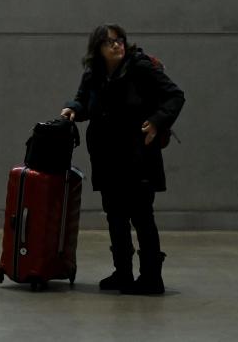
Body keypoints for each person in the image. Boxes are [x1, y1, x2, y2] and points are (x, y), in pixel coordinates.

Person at [60, 24, 185, 295]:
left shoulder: (140, 67)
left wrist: (155, 122)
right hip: (106, 157)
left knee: (141, 216)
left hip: (138, 156)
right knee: (115, 216)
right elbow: (84, 102)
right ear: (98, 49)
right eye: (109, 42)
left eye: (119, 41)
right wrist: (74, 109)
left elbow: (175, 96)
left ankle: (152, 277)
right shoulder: (93, 74)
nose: (116, 45)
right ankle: (123, 273)